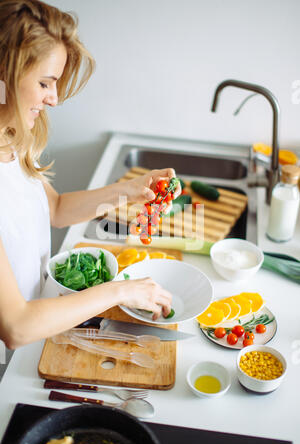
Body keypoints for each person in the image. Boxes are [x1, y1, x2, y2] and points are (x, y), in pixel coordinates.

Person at [0, 0, 181, 350]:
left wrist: (130, 190)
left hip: (43, 327)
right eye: (44, 83)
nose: (53, 98)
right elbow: (15, 326)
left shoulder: (11, 140)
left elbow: (56, 210)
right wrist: (121, 290)